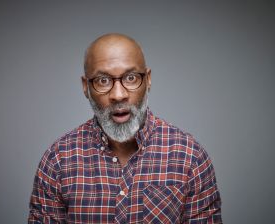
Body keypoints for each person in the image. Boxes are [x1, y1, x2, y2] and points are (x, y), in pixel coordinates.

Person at [28, 33, 222, 223]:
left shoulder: (190, 158)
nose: (118, 95)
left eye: (130, 78)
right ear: (85, 87)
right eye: (103, 80)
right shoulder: (58, 161)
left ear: (148, 80)